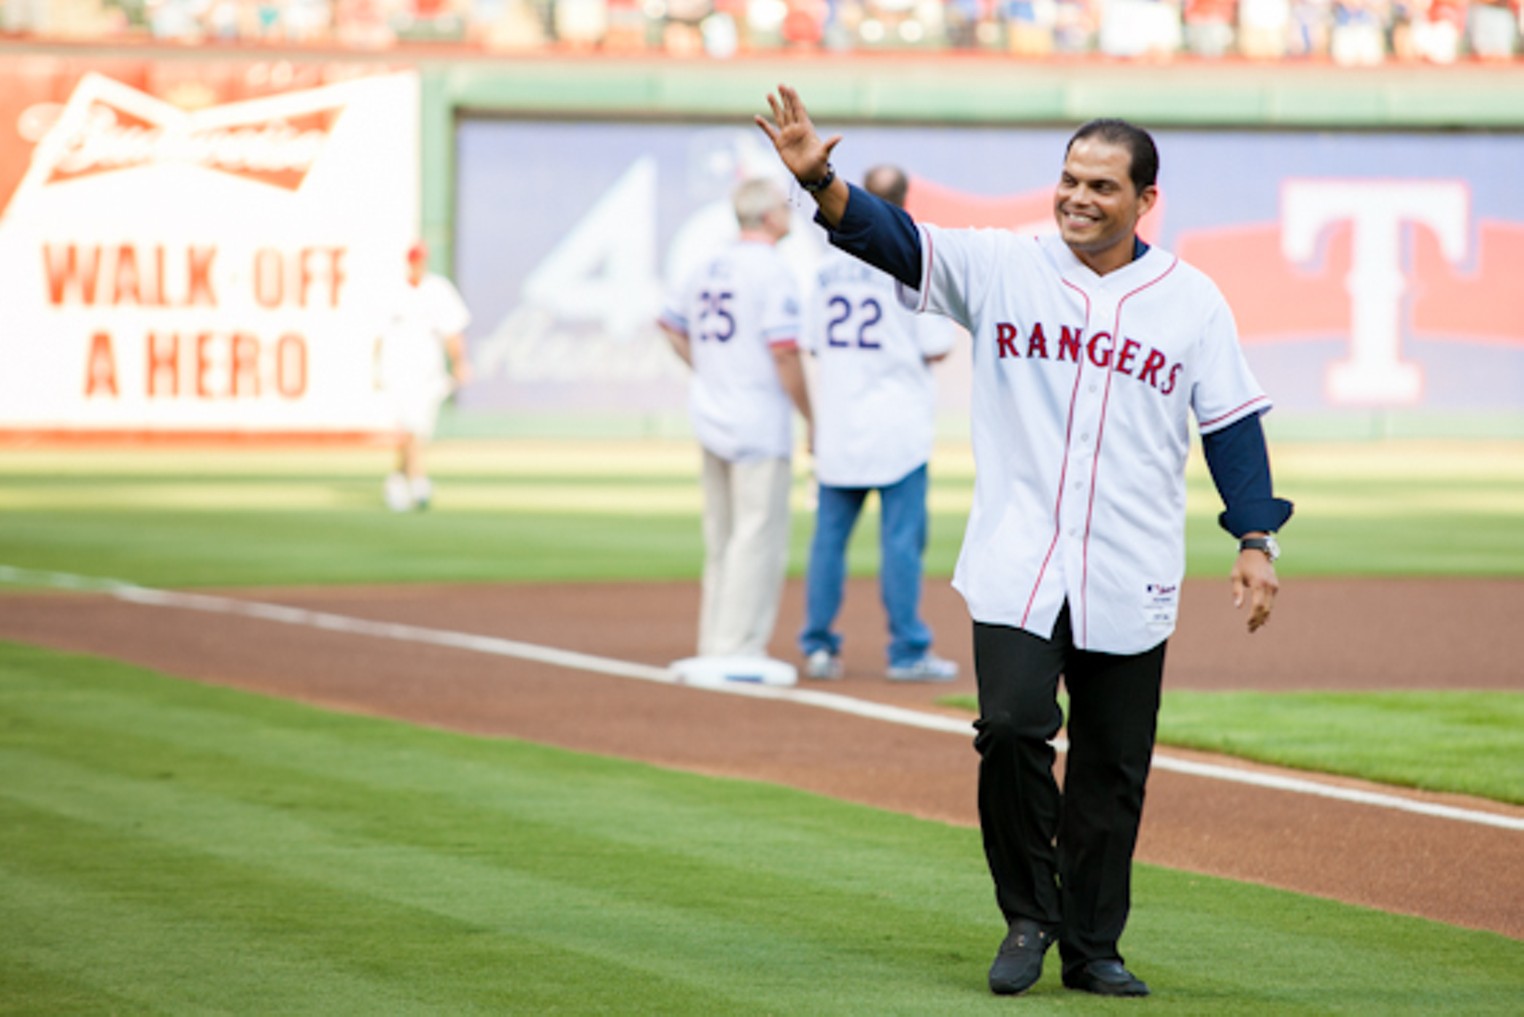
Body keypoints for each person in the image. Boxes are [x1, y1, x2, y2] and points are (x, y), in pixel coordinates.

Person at [757, 86, 1292, 998]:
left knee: (1111, 772)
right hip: (1018, 555)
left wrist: (1254, 537)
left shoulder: (1192, 302)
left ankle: (1091, 947)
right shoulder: (1006, 266)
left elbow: (1232, 426)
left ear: (1145, 201)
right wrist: (822, 182)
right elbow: (899, 239)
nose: (1079, 197)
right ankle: (1028, 912)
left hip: (1132, 564)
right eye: (1068, 178)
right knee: (1010, 728)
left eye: (1102, 185)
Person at [799, 164, 960, 684]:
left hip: (841, 420)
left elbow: (814, 342)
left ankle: (819, 647)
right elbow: (937, 347)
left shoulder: (825, 264)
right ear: (907, 199)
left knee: (829, 540)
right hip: (898, 424)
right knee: (900, 543)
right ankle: (908, 650)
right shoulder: (912, 260)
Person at [658, 177, 814, 660]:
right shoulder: (774, 271)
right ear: (768, 215)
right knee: (756, 539)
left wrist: (707, 368)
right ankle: (737, 646)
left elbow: (670, 324)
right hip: (758, 420)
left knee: (722, 539)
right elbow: (785, 351)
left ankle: (714, 640)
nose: (790, 213)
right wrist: (812, 417)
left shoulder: (707, 262)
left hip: (711, 411)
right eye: (784, 207)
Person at [376, 240, 472, 512]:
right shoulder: (393, 291)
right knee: (410, 427)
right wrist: (376, 369)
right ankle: (418, 482)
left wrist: (459, 362)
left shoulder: (438, 290)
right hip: (397, 368)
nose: (418, 264)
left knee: (419, 429)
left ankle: (397, 480)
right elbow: (378, 335)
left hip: (428, 371)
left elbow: (452, 330)